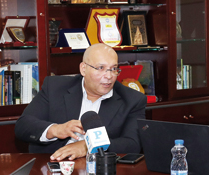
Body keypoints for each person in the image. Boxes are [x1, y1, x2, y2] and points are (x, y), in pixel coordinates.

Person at [15, 43, 146, 160]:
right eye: (101, 68)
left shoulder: (132, 99)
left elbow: (133, 144)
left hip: (101, 171)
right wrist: (55, 129)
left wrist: (89, 146)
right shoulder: (55, 87)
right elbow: (23, 126)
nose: (109, 76)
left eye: (114, 69)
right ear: (83, 69)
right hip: (52, 165)